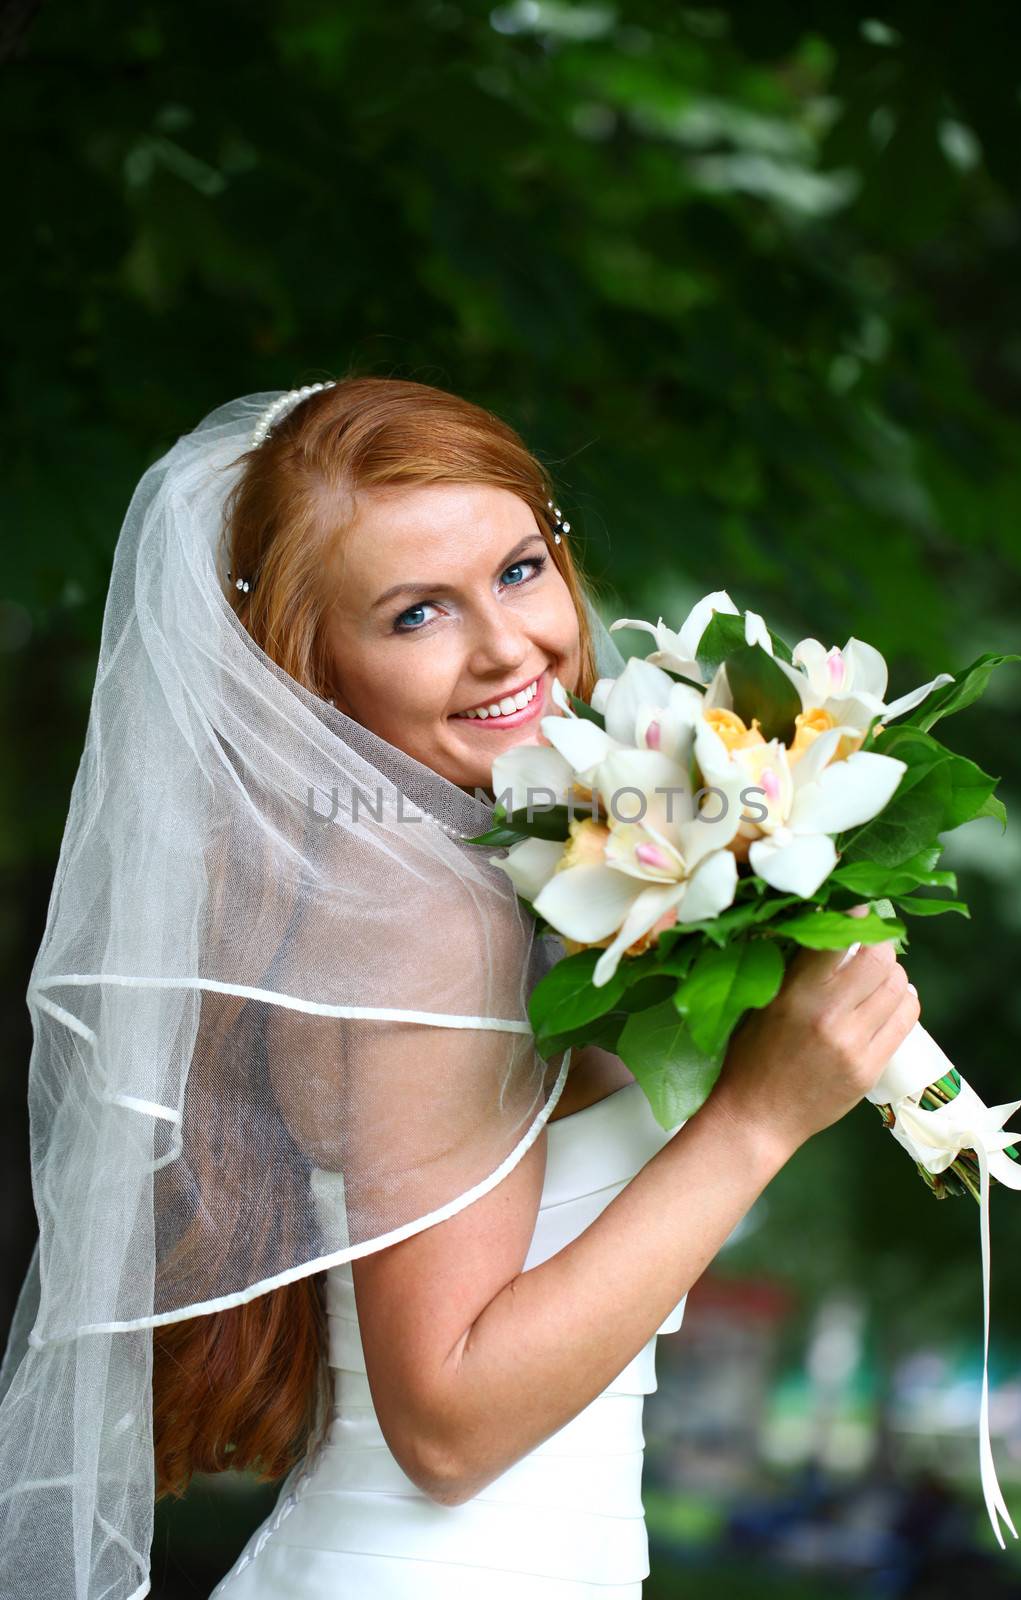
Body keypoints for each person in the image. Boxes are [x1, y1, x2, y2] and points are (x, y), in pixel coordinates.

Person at [0, 375, 921, 1600]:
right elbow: (443, 1425)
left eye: (520, 569)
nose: (505, 646)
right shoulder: (429, 920)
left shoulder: (496, 879)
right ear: (312, 669)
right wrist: (753, 1120)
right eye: (416, 613)